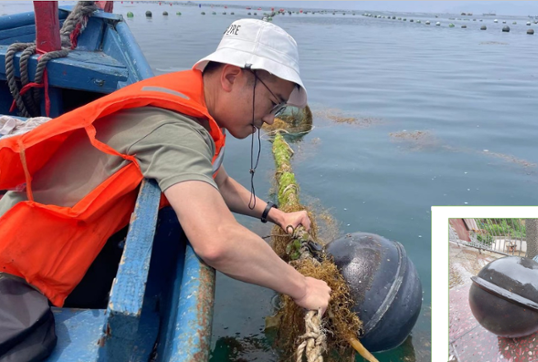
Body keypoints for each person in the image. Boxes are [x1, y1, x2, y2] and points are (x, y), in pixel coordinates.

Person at [0, 18, 330, 359]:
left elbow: (219, 181)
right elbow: (216, 241)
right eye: (273, 103)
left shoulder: (187, 103)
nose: (271, 120)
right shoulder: (178, 129)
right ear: (232, 77)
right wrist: (303, 287)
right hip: (14, 268)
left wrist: (274, 213)